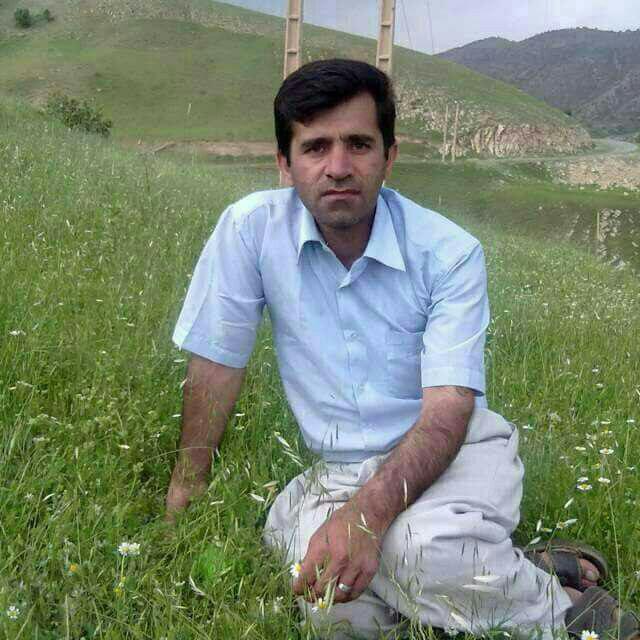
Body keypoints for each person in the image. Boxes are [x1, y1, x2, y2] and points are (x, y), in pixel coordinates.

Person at [166, 59, 637, 640]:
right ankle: (520, 565)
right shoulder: (249, 229)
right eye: (315, 147)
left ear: (389, 156)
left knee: (418, 550)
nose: (339, 167)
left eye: (359, 144)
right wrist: (186, 488)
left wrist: (365, 519)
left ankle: (568, 609)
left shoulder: (449, 253)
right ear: (284, 163)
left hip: (455, 454)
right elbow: (217, 362)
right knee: (333, 611)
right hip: (339, 471)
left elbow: (447, 411)